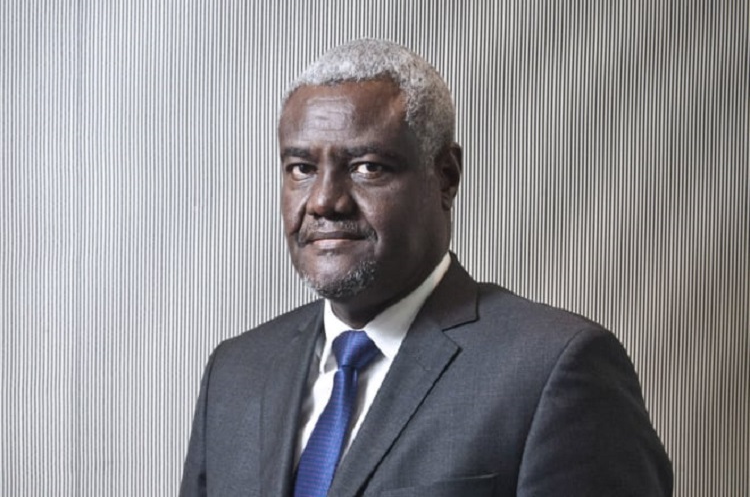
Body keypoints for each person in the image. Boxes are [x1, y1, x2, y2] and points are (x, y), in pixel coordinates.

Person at [180, 39, 672, 496]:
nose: (325, 201)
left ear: (446, 177)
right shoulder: (236, 372)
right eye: (301, 169)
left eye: (368, 167)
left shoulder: (555, 369)